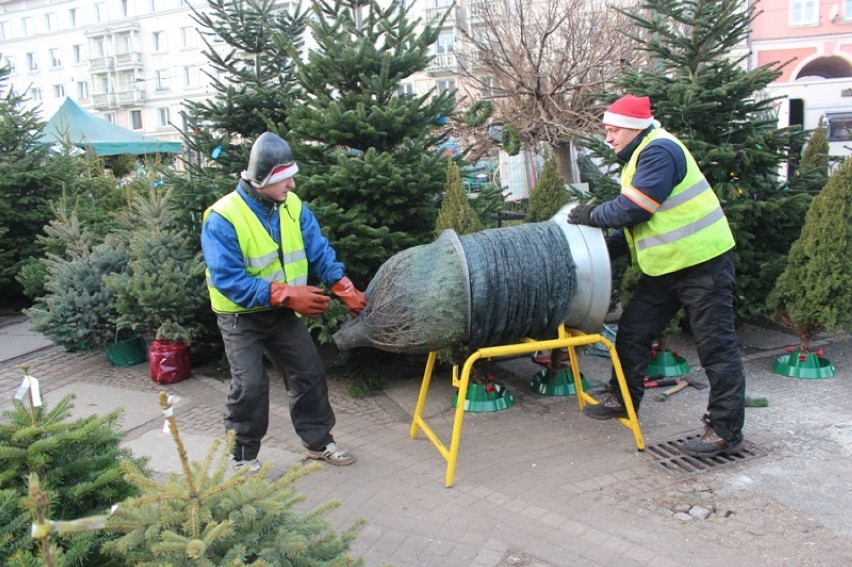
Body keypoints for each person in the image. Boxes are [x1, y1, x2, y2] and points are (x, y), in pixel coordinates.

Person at [567, 94, 746, 458]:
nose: (608, 138)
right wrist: (596, 252)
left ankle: (724, 432)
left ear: (633, 127)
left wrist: (590, 215)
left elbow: (635, 208)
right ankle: (623, 400)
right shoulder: (640, 155)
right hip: (665, 270)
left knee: (716, 349)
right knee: (631, 334)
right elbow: (640, 224)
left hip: (702, 266)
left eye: (613, 130)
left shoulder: (659, 151)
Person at [201, 131, 367, 472]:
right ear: (262, 179)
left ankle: (319, 443)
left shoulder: (292, 207)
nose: (291, 185)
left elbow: (318, 251)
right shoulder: (223, 217)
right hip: (240, 317)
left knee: (308, 371)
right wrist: (287, 293)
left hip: (282, 313)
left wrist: (344, 287)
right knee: (250, 385)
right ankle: (242, 456)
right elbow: (229, 280)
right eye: (283, 178)